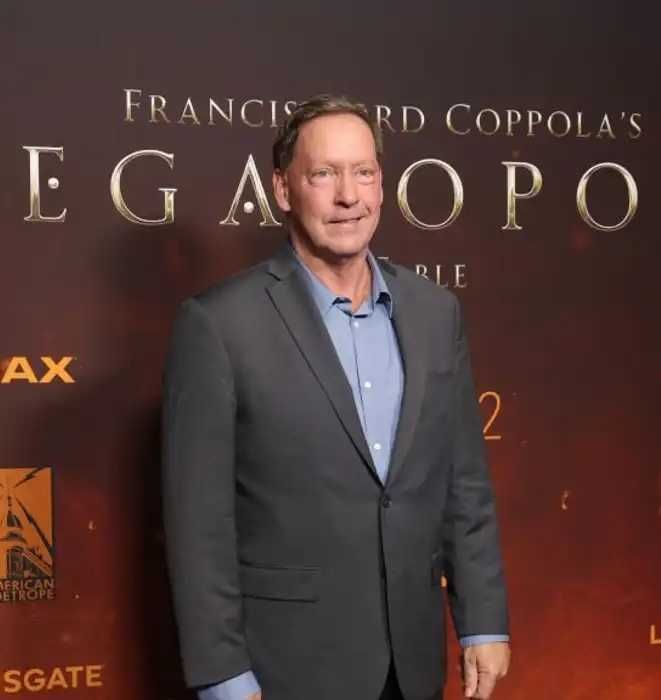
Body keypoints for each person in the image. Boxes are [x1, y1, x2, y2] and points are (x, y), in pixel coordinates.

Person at [162, 94, 510, 700]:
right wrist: (222, 674)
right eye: (324, 174)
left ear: (381, 184)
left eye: (364, 172)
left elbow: (464, 481)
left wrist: (481, 621)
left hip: (412, 664)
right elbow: (198, 522)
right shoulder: (219, 324)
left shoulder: (434, 313)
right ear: (283, 188)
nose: (349, 196)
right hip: (286, 669)